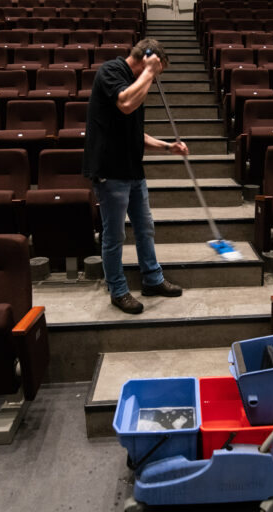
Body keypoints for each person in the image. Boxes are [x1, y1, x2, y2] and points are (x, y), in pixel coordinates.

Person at [83, 39, 189, 315]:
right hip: (110, 172)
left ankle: (152, 279)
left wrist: (167, 147)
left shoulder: (135, 83)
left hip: (132, 171)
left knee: (145, 228)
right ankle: (118, 291)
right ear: (146, 59)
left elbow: (135, 134)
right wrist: (150, 72)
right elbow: (126, 104)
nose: (154, 81)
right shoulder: (110, 71)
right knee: (114, 235)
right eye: (156, 72)